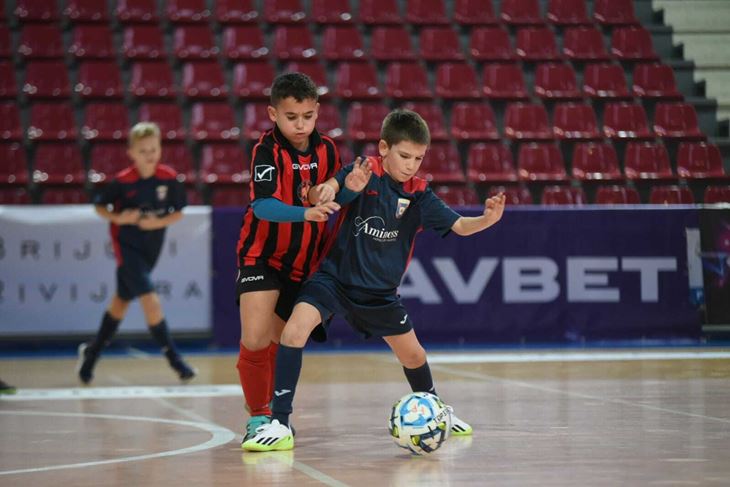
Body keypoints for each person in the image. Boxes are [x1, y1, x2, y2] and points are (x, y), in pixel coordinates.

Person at [242, 109, 506, 451]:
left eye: (419, 158)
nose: (411, 165)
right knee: (294, 331)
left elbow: (459, 226)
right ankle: (280, 422)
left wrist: (486, 220)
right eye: (404, 155)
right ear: (384, 148)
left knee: (413, 355)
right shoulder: (363, 172)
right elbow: (330, 192)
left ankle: (437, 410)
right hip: (334, 280)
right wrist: (337, 189)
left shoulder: (419, 194)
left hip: (380, 295)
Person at [235, 72, 344, 446]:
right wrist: (305, 212)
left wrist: (333, 190)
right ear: (272, 114)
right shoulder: (265, 151)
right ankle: (259, 418)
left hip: (304, 263)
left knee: (285, 342)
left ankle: (278, 418)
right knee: (254, 338)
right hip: (260, 255)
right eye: (291, 117)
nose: (301, 125)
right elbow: (263, 206)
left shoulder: (329, 150)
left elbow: (332, 193)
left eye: (308, 116)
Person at [76, 122, 195, 384]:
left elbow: (178, 211)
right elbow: (100, 208)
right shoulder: (122, 181)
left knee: (120, 303)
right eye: (143, 150)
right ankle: (177, 362)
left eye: (153, 149)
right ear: (131, 152)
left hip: (151, 247)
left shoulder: (168, 178)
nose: (150, 154)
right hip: (127, 246)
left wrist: (156, 223)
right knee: (150, 300)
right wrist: (120, 217)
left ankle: (91, 353)